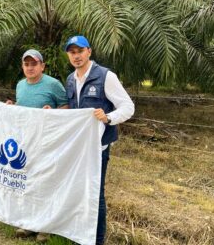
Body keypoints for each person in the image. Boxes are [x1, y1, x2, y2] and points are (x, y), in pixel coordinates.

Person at [64, 36, 135, 245]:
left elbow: (128, 107)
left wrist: (109, 117)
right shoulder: (70, 79)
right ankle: (80, 236)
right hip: (78, 148)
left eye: (80, 51)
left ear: (89, 52)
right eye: (72, 52)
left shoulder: (105, 76)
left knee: (95, 194)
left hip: (98, 147)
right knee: (79, 192)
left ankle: (97, 240)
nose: (76, 56)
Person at [7, 49, 68, 243]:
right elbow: (22, 106)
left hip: (47, 143)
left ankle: (45, 228)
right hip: (25, 143)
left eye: (34, 64)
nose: (30, 67)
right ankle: (27, 224)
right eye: (27, 64)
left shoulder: (53, 84)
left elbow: (66, 108)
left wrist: (53, 112)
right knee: (27, 181)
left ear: (42, 66)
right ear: (22, 67)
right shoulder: (20, 85)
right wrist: (12, 106)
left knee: (46, 183)